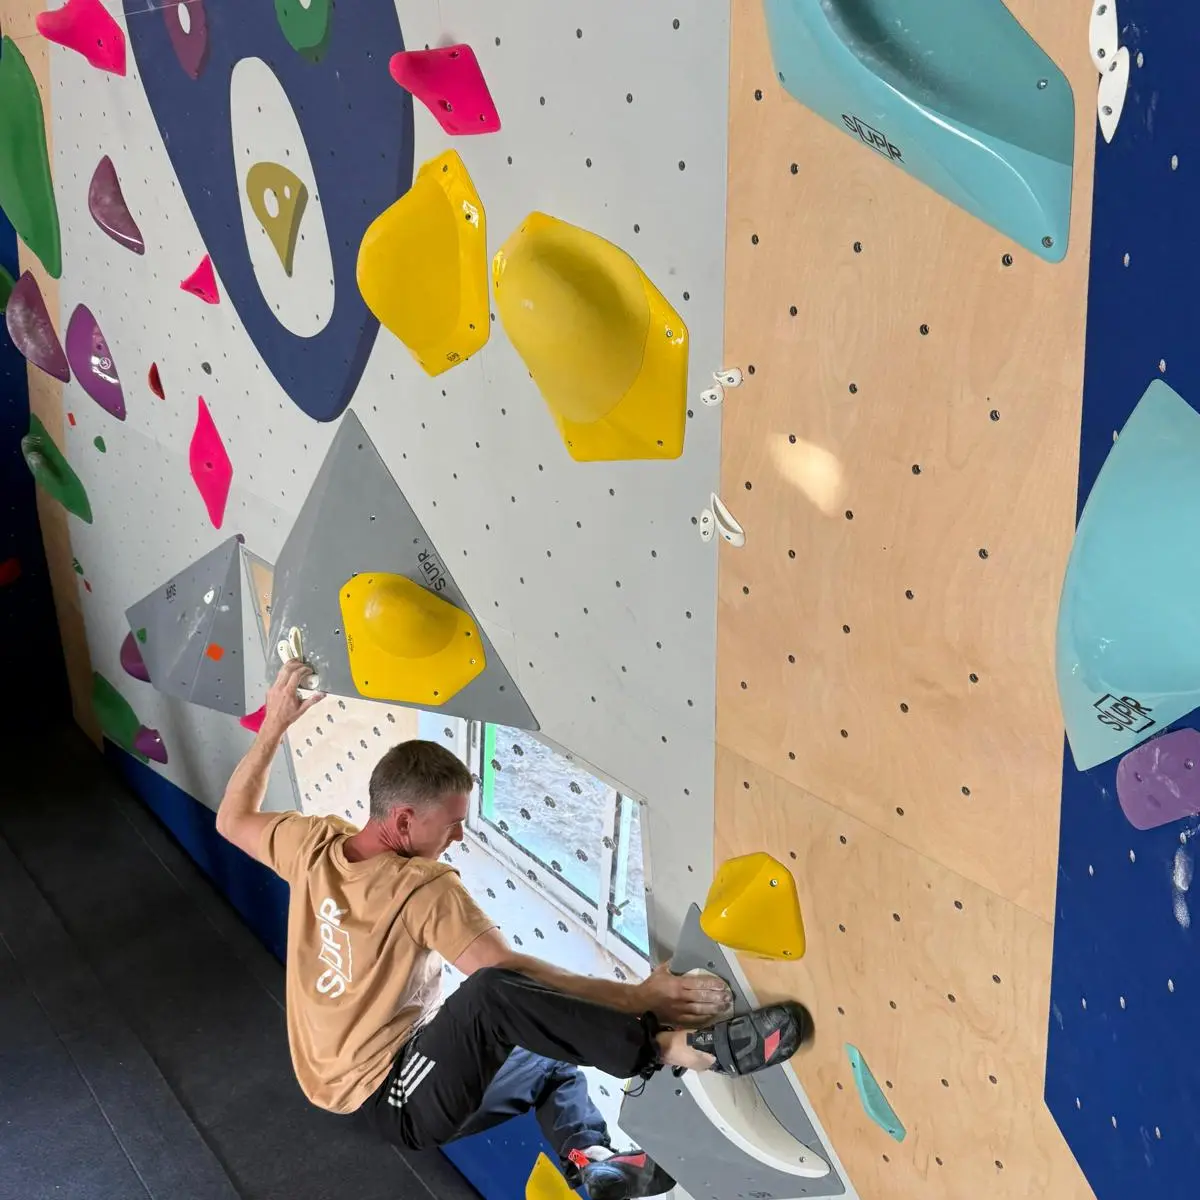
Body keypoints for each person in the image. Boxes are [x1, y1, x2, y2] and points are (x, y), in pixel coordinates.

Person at [217, 660, 812, 1199]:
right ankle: (673, 1049)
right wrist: (639, 998)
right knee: (493, 995)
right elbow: (507, 977)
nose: (457, 837)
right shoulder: (420, 888)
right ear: (404, 818)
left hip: (338, 1080)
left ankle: (594, 1164)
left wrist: (275, 725)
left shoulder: (313, 843)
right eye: (451, 823)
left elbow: (233, 818)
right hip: (389, 1097)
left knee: (552, 1062)